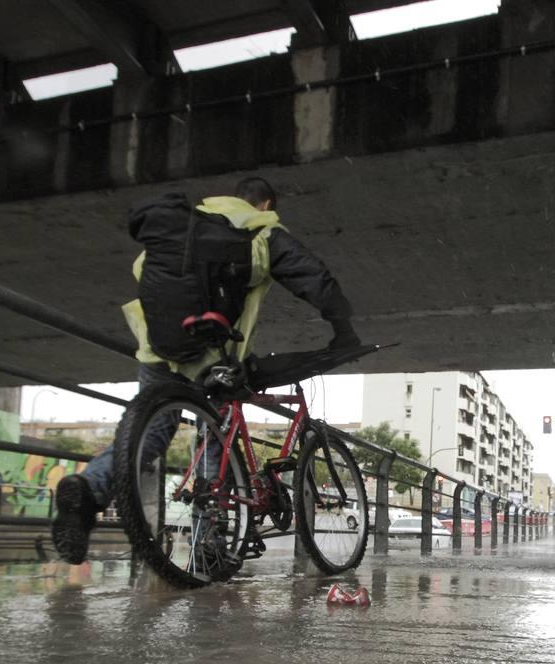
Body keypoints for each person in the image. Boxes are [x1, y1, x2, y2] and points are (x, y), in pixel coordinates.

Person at [51, 176, 361, 564]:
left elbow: (141, 270)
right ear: (265, 204)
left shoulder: (184, 222)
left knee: (149, 436)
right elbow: (314, 278)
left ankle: (87, 490)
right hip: (213, 357)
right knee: (216, 439)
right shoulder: (262, 232)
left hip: (158, 347)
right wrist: (344, 330)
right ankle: (208, 543)